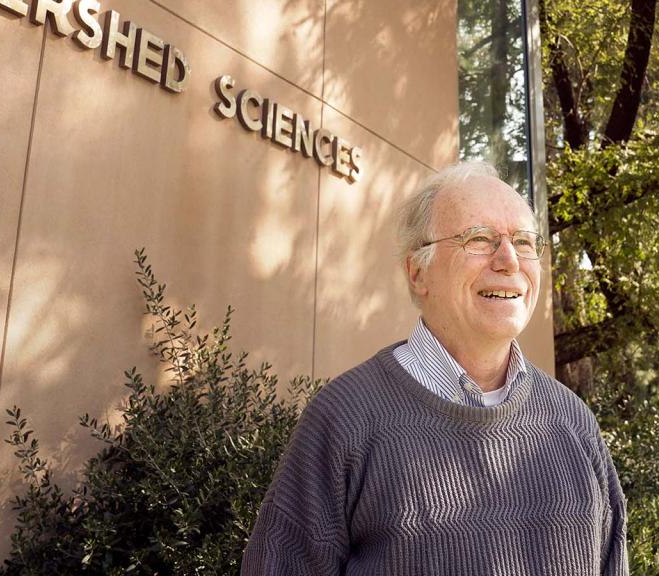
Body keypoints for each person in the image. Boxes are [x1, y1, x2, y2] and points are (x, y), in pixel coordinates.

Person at [241, 162, 628, 575]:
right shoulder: (345, 419)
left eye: (524, 242)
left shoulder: (573, 421)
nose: (509, 260)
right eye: (479, 238)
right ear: (418, 271)